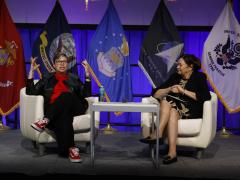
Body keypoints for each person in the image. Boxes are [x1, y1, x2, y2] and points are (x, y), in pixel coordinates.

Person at [140, 54, 211, 165]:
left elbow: (205, 97)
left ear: (190, 67)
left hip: (190, 109)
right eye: (177, 64)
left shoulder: (199, 77)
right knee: (171, 108)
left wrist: (182, 90)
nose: (177, 67)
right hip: (174, 107)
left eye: (180, 64)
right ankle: (172, 153)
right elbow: (155, 94)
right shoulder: (175, 77)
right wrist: (169, 89)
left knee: (167, 102)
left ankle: (158, 133)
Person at [26, 52, 91, 163]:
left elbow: (86, 94)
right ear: (54, 65)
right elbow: (31, 91)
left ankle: (45, 120)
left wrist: (87, 76)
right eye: (59, 62)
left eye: (64, 62)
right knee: (64, 117)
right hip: (57, 111)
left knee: (66, 95)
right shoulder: (47, 78)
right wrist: (31, 71)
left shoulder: (73, 78)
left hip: (75, 107)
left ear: (67, 64)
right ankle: (71, 149)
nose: (62, 64)